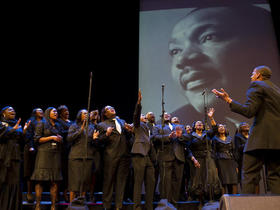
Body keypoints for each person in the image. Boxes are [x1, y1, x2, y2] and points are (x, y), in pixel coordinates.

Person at [140, 2, 280, 135]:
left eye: (209, 37)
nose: (182, 59)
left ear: (262, 46)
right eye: (175, 51)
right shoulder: (174, 126)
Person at [212, 65, 280, 194]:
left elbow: (249, 111)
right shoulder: (276, 90)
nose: (251, 76)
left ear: (258, 75)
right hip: (277, 140)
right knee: (275, 176)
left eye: (253, 73)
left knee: (248, 173)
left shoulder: (256, 86)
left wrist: (228, 100)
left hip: (261, 140)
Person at [96, 105, 132, 210]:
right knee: (109, 181)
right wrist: (106, 134)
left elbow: (128, 137)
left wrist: (129, 131)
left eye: (112, 107)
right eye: (108, 109)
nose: (112, 108)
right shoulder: (101, 125)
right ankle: (106, 206)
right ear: (105, 114)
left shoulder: (122, 121)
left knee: (121, 182)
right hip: (111, 156)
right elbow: (98, 142)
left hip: (124, 155)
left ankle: (118, 206)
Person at [151, 111, 188, 206]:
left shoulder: (180, 127)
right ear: (162, 117)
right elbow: (155, 138)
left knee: (177, 181)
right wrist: (168, 136)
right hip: (165, 156)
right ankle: (165, 203)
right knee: (165, 181)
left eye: (168, 114)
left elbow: (188, 137)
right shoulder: (157, 127)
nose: (167, 115)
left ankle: (174, 203)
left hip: (179, 157)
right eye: (164, 114)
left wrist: (180, 136)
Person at [186, 108, 222, 204]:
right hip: (197, 158)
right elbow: (188, 149)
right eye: (197, 123)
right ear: (194, 126)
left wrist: (211, 118)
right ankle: (198, 198)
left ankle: (210, 197)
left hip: (208, 157)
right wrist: (193, 159)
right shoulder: (191, 135)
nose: (200, 124)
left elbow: (214, 129)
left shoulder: (207, 134)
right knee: (197, 178)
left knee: (210, 176)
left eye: (201, 123)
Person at [31, 107, 64, 210]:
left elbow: (62, 137)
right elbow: (37, 139)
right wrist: (52, 137)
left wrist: (60, 139)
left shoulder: (58, 125)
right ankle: (38, 205)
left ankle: (53, 205)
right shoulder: (42, 123)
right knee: (40, 180)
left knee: (54, 180)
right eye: (53, 111)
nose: (56, 113)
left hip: (55, 154)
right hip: (44, 154)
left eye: (56, 112)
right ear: (48, 113)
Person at [0, 106, 30, 210]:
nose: (13, 111)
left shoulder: (18, 125)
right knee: (4, 182)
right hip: (4, 157)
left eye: (13, 110)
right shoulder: (1, 124)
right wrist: (13, 129)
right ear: (3, 113)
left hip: (16, 157)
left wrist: (25, 132)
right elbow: (1, 136)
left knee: (16, 183)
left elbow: (22, 142)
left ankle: (14, 206)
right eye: (10, 110)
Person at [67, 109, 99, 203]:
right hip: (75, 157)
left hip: (88, 156)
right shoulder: (74, 125)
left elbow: (95, 144)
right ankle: (72, 203)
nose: (86, 115)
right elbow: (69, 138)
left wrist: (95, 138)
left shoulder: (91, 127)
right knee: (74, 181)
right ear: (79, 115)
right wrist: (80, 130)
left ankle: (82, 202)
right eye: (84, 113)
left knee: (85, 181)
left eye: (87, 113)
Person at [131, 89, 155, 210]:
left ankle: (149, 206)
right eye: (142, 115)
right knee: (138, 182)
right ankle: (137, 207)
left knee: (151, 183)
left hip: (148, 157)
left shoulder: (147, 128)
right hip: (139, 155)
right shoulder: (137, 125)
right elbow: (136, 115)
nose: (144, 116)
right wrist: (139, 103)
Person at [24, 108, 44, 203]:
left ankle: (39, 193)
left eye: (42, 111)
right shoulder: (31, 121)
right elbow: (28, 135)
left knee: (39, 171)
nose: (41, 112)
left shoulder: (45, 122)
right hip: (31, 148)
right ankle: (29, 192)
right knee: (29, 171)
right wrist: (31, 146)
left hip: (41, 149)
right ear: (34, 113)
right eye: (39, 111)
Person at [212, 124, 238, 194]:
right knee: (223, 180)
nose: (221, 128)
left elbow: (234, 151)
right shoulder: (215, 139)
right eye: (219, 127)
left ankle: (234, 199)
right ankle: (225, 200)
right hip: (220, 160)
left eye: (223, 127)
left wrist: (236, 165)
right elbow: (214, 152)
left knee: (233, 180)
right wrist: (215, 165)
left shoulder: (229, 138)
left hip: (231, 160)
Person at [57, 105, 73, 202]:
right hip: (62, 151)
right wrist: (71, 131)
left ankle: (67, 192)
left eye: (67, 110)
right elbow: (60, 133)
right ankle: (61, 193)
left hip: (71, 150)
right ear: (60, 113)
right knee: (62, 172)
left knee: (69, 174)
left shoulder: (71, 122)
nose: (67, 112)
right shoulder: (59, 122)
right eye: (64, 111)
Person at [234, 122, 250, 188]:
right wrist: (248, 143)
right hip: (243, 159)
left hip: (252, 157)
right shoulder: (238, 136)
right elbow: (239, 147)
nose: (246, 126)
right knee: (243, 176)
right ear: (240, 128)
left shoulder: (251, 135)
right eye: (244, 125)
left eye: (247, 125)